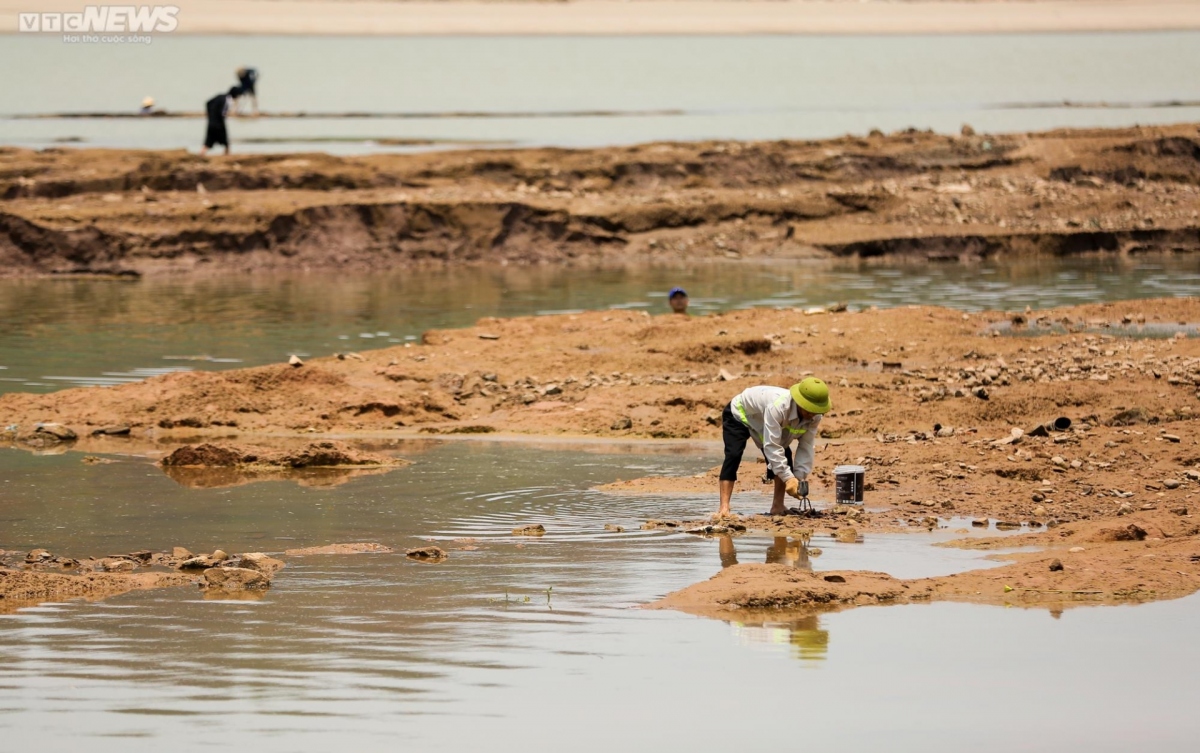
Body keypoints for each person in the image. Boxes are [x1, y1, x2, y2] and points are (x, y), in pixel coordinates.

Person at [716, 377, 830, 518]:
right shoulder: (779, 407)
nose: (811, 414)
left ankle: (778, 506)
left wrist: (798, 479)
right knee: (733, 455)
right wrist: (788, 478)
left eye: (815, 410)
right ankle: (724, 508)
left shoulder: (815, 417)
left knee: (785, 455)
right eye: (808, 410)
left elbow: (806, 446)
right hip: (740, 414)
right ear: (799, 402)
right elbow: (772, 446)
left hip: (763, 421)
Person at [200, 86, 241, 156]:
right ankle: (227, 155)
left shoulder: (220, 96)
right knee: (225, 141)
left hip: (211, 122)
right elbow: (223, 113)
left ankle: (201, 154)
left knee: (208, 141)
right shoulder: (228, 100)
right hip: (219, 123)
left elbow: (208, 103)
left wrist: (211, 114)